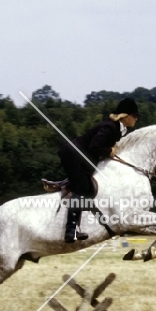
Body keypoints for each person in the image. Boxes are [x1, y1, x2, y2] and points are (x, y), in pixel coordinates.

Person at [58, 97, 139, 243]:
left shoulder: (118, 129)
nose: (136, 119)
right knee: (82, 188)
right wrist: (110, 151)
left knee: (89, 189)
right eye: (135, 116)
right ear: (125, 116)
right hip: (72, 155)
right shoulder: (109, 128)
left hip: (80, 157)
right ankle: (70, 230)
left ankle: (83, 225)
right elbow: (94, 147)